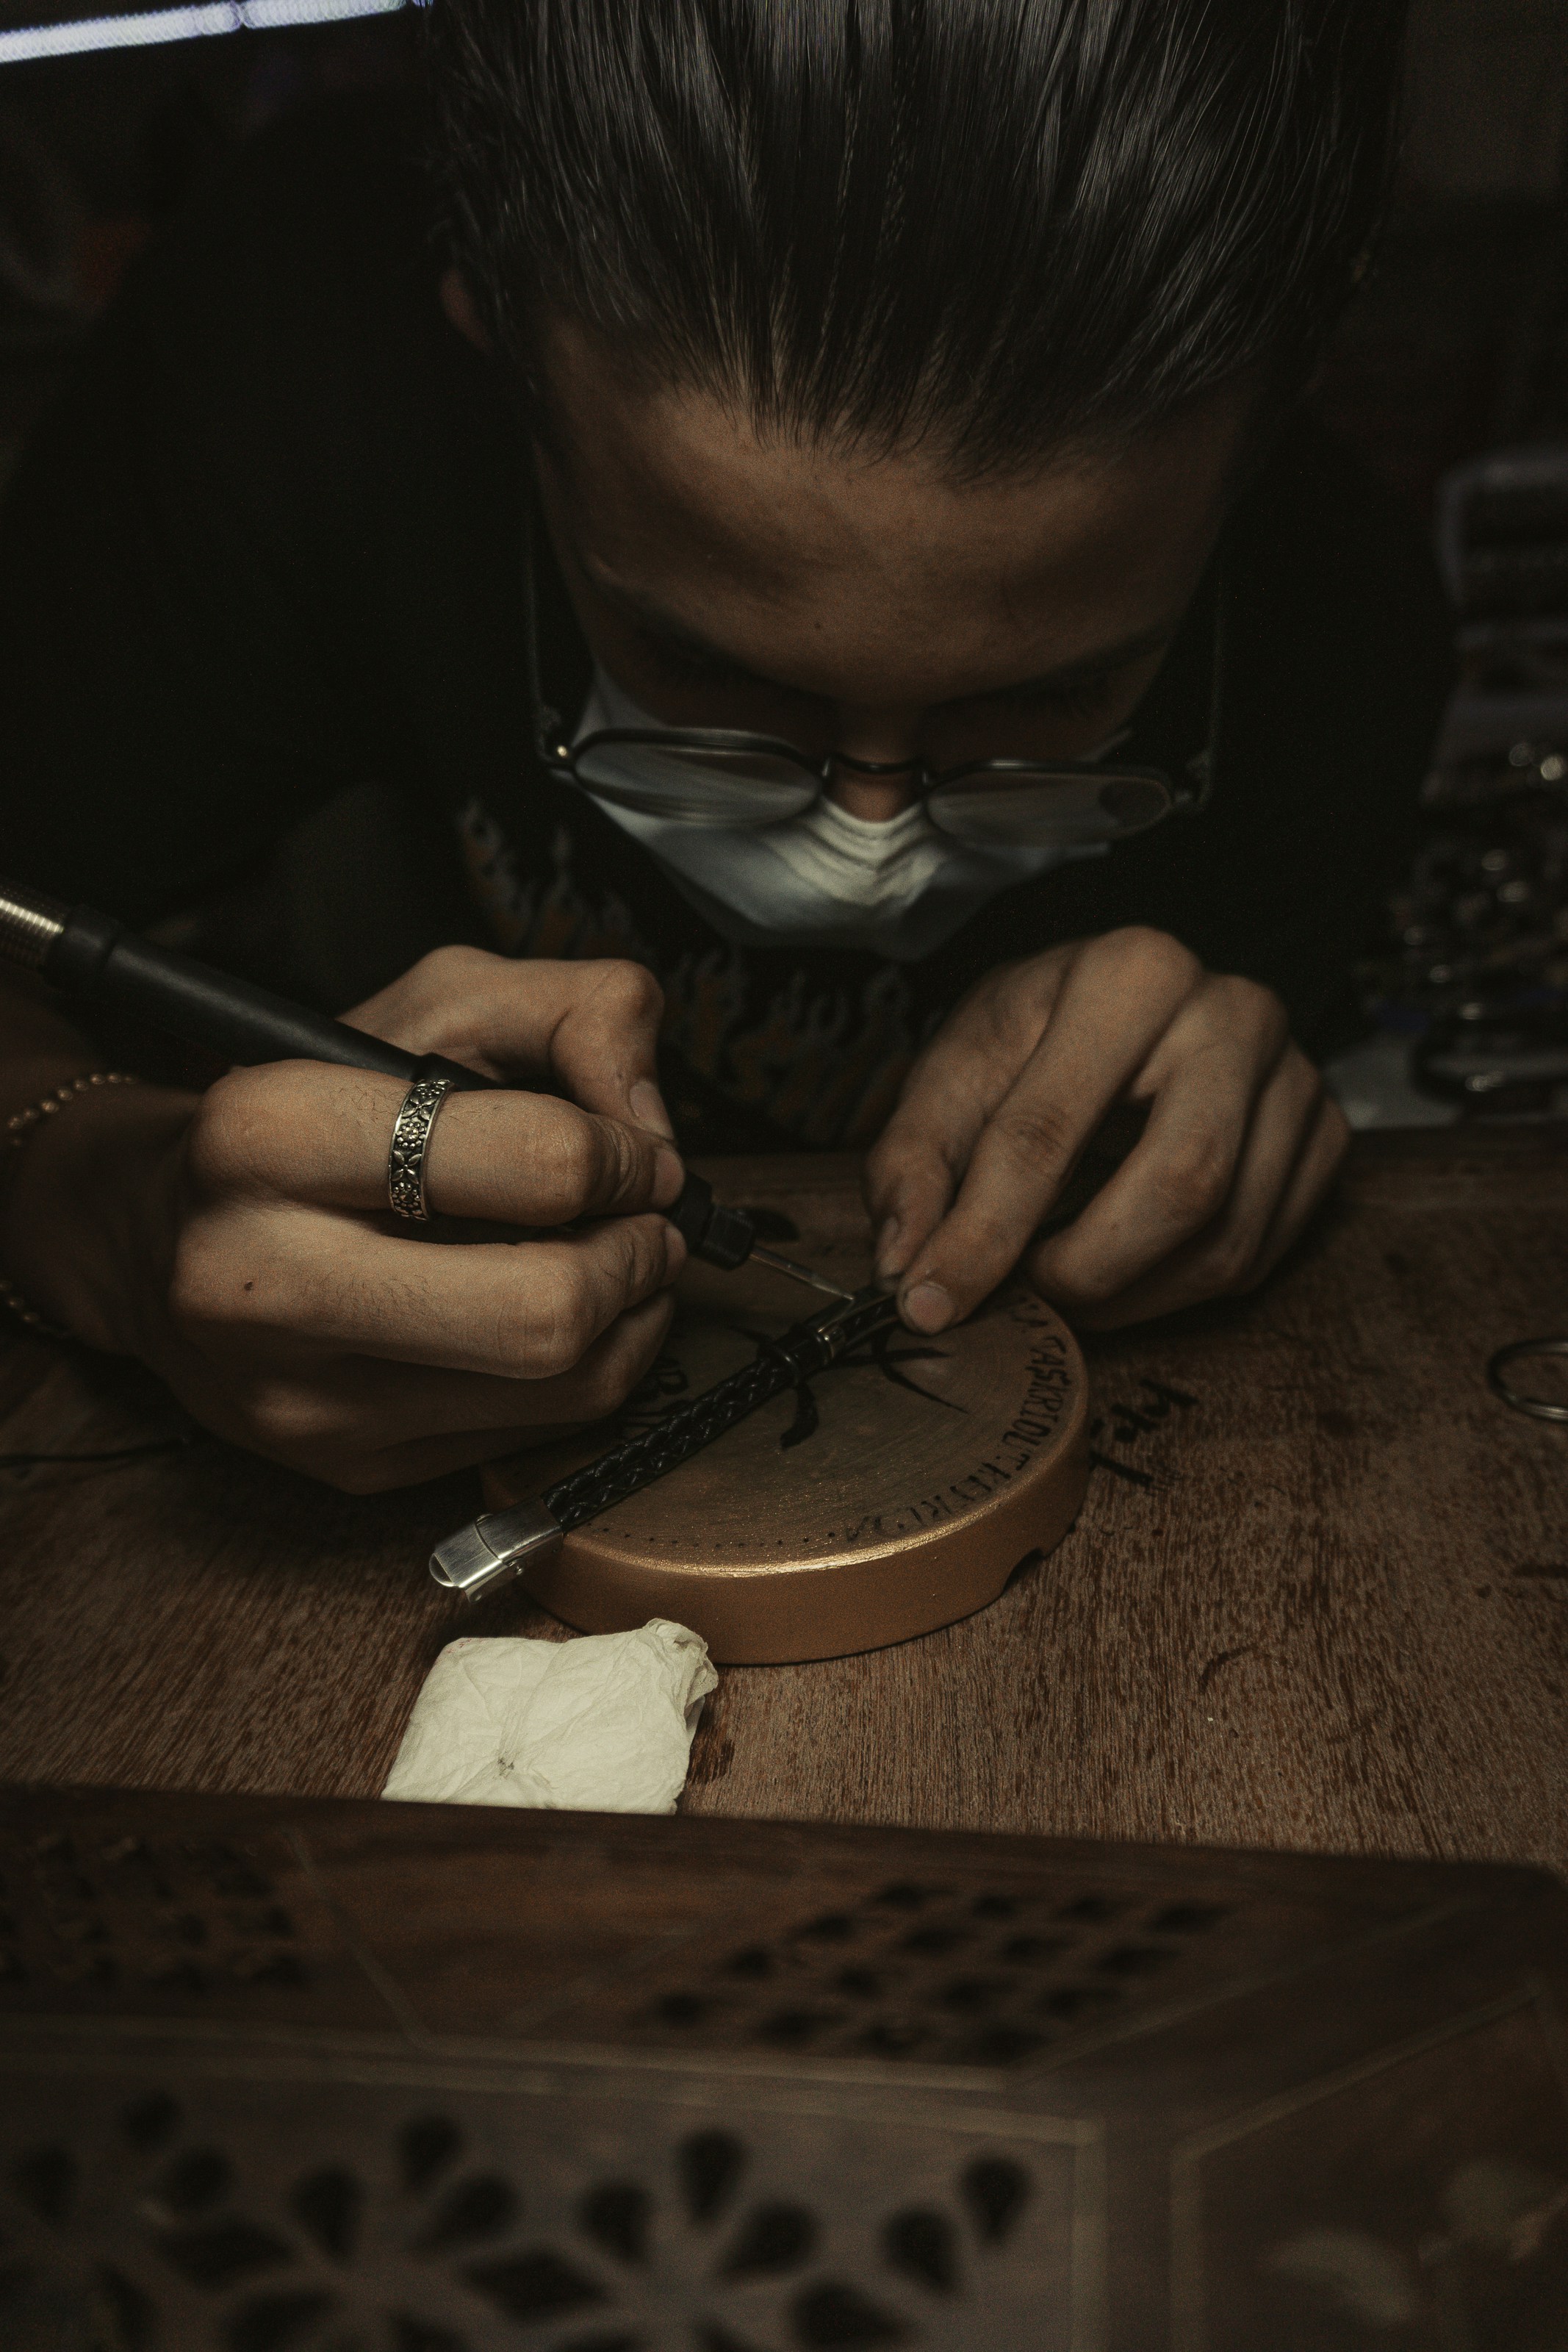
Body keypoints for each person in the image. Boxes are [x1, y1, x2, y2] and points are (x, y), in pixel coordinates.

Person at [0, 0, 1450, 1492]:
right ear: (491, 331)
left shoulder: (1345, 619)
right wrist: (104, 1204)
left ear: (1276, 418)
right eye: (706, 669)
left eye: (1039, 701)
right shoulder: (288, 331)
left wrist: (1226, 1108)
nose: (867, 832)